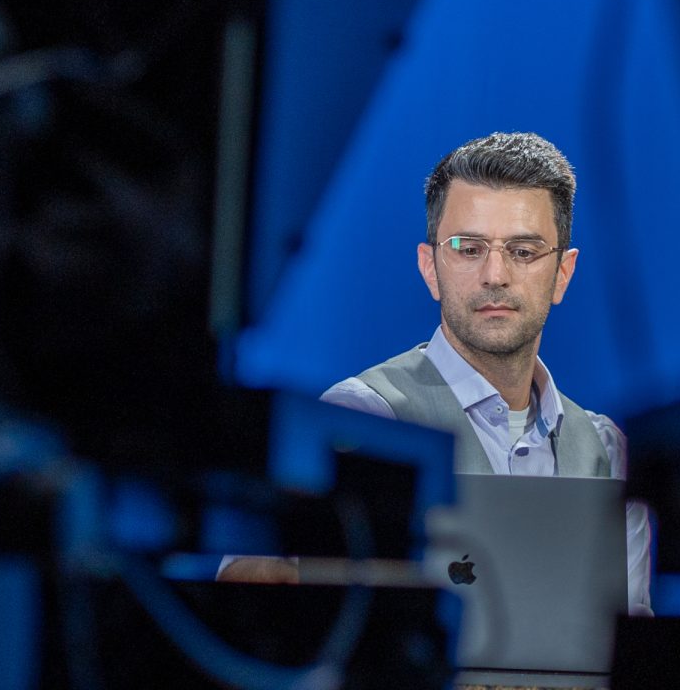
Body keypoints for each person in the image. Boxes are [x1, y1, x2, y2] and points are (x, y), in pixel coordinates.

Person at [221, 132, 651, 615]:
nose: (496, 274)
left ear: (563, 275)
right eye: (469, 248)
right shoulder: (363, 417)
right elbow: (248, 602)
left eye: (524, 251)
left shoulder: (606, 452)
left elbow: (636, 650)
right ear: (430, 268)